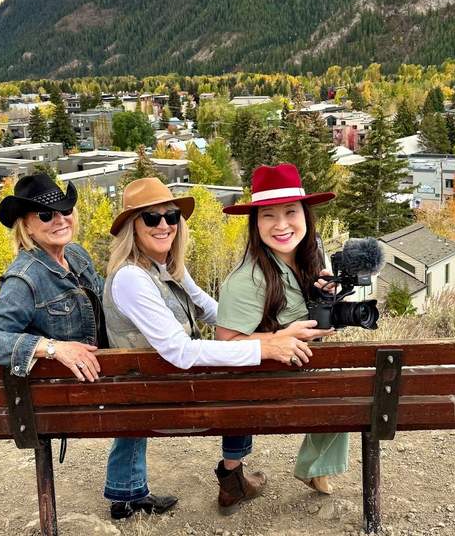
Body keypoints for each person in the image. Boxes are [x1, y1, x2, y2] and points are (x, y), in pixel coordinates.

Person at [103, 177, 321, 519]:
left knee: (237, 358)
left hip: (148, 381)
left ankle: (129, 492)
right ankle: (232, 474)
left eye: (171, 216)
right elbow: (181, 352)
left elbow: (210, 309)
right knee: (242, 375)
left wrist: (263, 331)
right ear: (132, 226)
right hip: (159, 388)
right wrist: (264, 348)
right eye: (151, 218)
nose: (164, 225)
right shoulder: (132, 278)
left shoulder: (164, 267)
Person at [216, 163, 348, 499]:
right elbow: (225, 344)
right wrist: (277, 338)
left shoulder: (312, 250)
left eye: (291, 212)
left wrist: (326, 294)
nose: (281, 225)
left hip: (305, 370)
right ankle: (314, 467)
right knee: (344, 384)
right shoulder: (244, 281)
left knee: (342, 377)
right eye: (268, 216)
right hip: (267, 383)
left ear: (305, 214)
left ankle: (314, 468)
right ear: (255, 222)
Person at [0, 173, 105, 382]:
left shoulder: (76, 254)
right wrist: (54, 348)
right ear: (27, 227)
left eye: (65, 209)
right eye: (45, 215)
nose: (60, 219)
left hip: (102, 382)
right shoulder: (25, 278)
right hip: (67, 395)